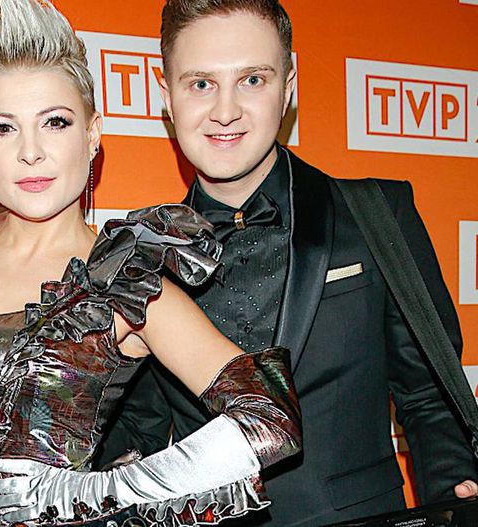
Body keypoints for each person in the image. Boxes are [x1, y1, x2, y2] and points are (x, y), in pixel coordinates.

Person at [0, 1, 301, 525]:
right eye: (4, 128)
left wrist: (92, 494)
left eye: (55, 122)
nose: (31, 151)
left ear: (92, 135)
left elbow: (271, 419)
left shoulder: (125, 284)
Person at [99, 1, 478, 525]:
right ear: (167, 96)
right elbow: (135, 431)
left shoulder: (377, 216)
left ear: (289, 85)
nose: (225, 111)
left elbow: (428, 396)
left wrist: (455, 498)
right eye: (201, 84)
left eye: (252, 80)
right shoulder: (140, 258)